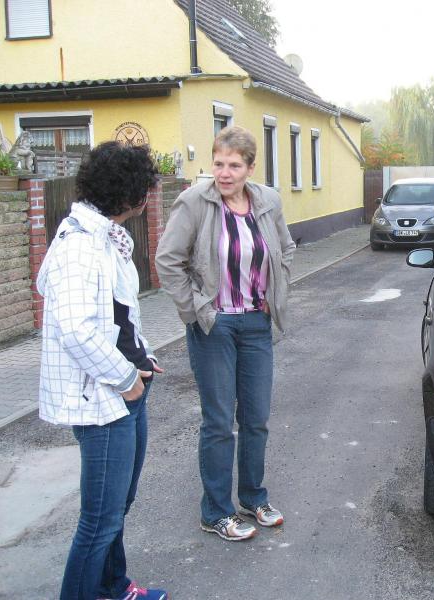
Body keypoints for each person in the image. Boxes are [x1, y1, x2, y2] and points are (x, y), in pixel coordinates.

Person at [38, 142, 168, 600]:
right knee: (99, 521)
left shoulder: (105, 238)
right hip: (104, 400)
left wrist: (143, 355)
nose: (149, 198)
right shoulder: (80, 245)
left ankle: (114, 587)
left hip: (125, 390)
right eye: (146, 189)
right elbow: (75, 329)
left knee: (117, 507)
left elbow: (119, 312)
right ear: (130, 194)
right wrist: (127, 378)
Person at [155, 126, 295, 542]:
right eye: (218, 164)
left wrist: (274, 293)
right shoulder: (194, 202)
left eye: (234, 165)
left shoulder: (267, 201)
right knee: (218, 421)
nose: (224, 173)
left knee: (256, 418)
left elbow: (286, 249)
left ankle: (253, 497)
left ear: (250, 167)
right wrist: (195, 309)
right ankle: (215, 512)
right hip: (214, 325)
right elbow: (168, 260)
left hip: (255, 323)